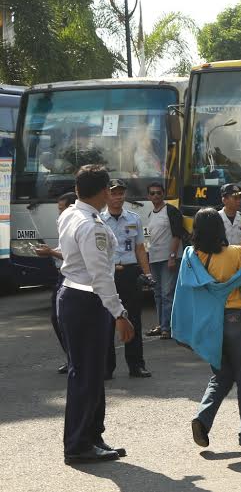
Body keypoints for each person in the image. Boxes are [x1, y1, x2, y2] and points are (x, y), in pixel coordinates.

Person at [172, 208, 241, 448]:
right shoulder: (236, 254)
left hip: (207, 323)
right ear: (221, 229)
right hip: (235, 320)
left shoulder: (190, 256)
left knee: (222, 374)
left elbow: (183, 293)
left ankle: (203, 419)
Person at [57, 165, 135, 464]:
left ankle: (91, 435)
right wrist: (120, 313)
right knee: (86, 376)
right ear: (104, 192)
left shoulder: (71, 215)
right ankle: (78, 444)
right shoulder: (92, 225)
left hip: (76, 297)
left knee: (90, 373)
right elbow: (100, 275)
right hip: (87, 300)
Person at [101, 179, 153, 379]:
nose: (118, 197)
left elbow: (140, 248)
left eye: (121, 193)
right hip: (108, 274)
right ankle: (106, 367)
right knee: (107, 320)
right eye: (114, 193)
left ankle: (136, 365)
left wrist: (147, 273)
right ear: (107, 195)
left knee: (133, 320)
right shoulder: (99, 220)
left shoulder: (134, 218)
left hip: (131, 273)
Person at [37, 192, 77, 374]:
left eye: (61, 209)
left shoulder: (79, 224)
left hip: (74, 277)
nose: (59, 213)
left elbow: (72, 254)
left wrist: (50, 253)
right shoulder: (64, 223)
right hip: (62, 274)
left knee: (68, 320)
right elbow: (63, 250)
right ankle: (71, 357)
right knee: (57, 318)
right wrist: (51, 250)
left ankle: (77, 359)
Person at [143, 181, 185, 340]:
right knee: (157, 294)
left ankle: (168, 328)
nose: (156, 196)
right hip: (154, 259)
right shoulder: (150, 214)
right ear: (148, 196)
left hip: (169, 259)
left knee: (168, 294)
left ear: (163, 194)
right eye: (152, 193)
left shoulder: (171, 211)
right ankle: (162, 324)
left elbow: (177, 235)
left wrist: (172, 257)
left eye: (159, 193)